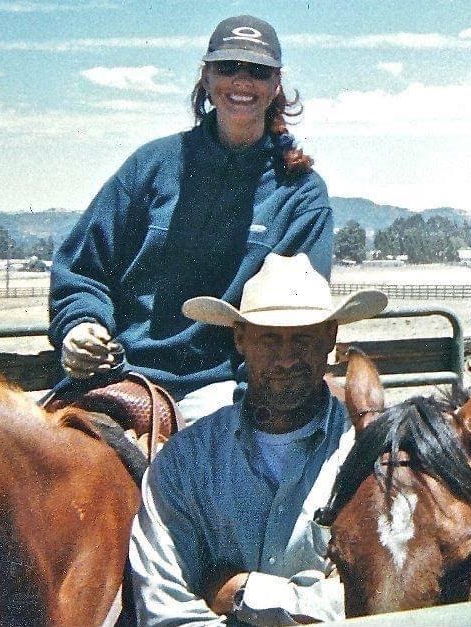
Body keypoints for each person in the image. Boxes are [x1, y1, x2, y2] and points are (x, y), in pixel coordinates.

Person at [49, 15, 335, 422]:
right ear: (206, 77)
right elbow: (83, 267)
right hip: (121, 371)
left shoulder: (300, 193)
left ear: (276, 85)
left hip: (222, 389)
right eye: (227, 67)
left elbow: (295, 316)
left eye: (257, 71)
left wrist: (245, 405)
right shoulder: (151, 165)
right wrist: (81, 324)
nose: (241, 81)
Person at [129, 253, 387, 625]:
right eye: (269, 339)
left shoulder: (371, 459)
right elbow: (166, 611)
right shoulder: (185, 463)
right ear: (240, 339)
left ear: (329, 338)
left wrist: (241, 592)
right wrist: (308, 599)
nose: (285, 360)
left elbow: (380, 598)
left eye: (302, 338)